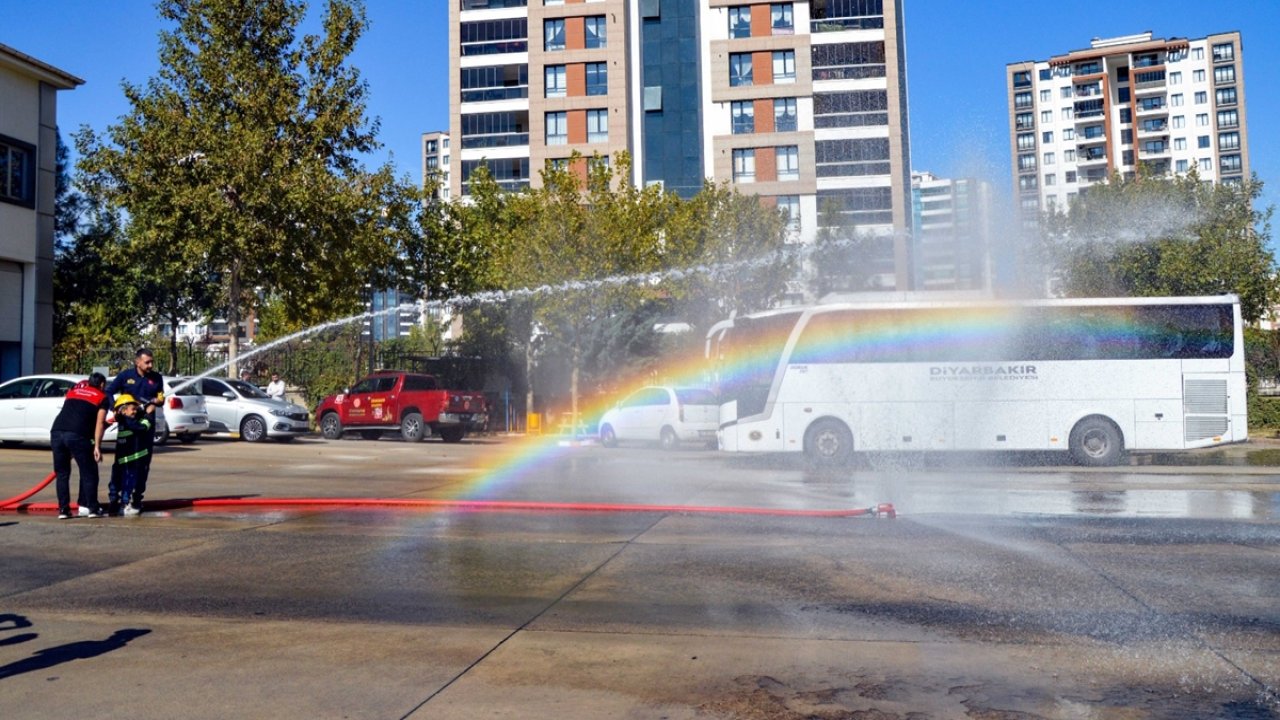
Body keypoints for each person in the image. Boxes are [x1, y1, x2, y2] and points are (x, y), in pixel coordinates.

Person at [107, 348, 164, 514]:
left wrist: (156, 403)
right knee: (121, 464)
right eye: (147, 362)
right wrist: (115, 408)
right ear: (137, 361)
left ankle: (136, 499)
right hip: (128, 427)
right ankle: (114, 499)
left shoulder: (156, 378)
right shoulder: (126, 376)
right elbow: (109, 391)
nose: (150, 365)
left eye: (151, 362)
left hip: (145, 426)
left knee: (142, 465)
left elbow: (160, 399)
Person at [49, 372, 110, 519]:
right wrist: (97, 446)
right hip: (77, 434)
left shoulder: (73, 392)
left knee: (62, 474)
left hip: (57, 432)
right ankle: (93, 508)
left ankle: (63, 510)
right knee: (89, 472)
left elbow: (71, 412)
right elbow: (99, 423)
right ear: (102, 385)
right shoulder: (102, 397)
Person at [108, 394, 152, 516]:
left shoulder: (123, 420)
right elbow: (142, 427)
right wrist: (147, 416)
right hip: (132, 460)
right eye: (132, 409)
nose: (135, 411)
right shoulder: (129, 421)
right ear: (124, 410)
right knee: (128, 483)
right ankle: (125, 505)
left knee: (116, 482)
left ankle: (113, 503)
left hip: (122, 460)